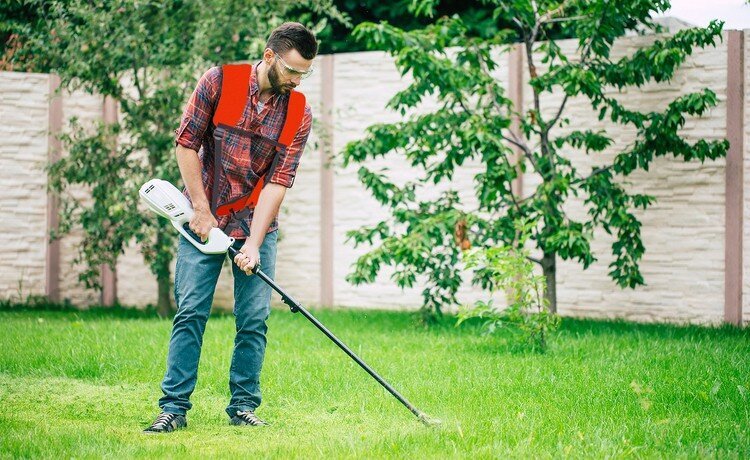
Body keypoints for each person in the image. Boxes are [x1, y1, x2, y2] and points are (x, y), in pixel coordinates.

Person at [144, 22, 317, 433]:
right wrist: (200, 210)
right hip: (203, 218)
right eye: (292, 70)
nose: (296, 80)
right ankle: (174, 408)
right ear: (270, 56)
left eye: (304, 74)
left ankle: (243, 407)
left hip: (256, 221)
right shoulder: (220, 81)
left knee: (254, 319)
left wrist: (253, 245)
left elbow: (278, 181)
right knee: (190, 312)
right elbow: (186, 143)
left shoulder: (299, 112)